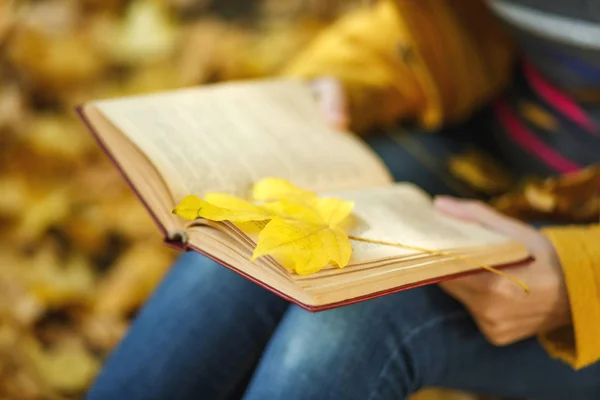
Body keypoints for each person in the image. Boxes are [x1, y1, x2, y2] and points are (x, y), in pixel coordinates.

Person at [86, 1, 600, 399]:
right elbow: (455, 22)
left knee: (355, 320)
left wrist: (577, 280)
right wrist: (343, 78)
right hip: (484, 151)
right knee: (249, 242)